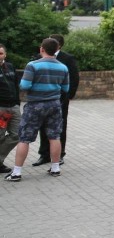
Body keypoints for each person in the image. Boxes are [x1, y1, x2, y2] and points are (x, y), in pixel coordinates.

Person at [5, 38, 68, 182]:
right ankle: (55, 168)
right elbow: (66, 89)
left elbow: (24, 86)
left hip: (35, 105)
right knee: (54, 136)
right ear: (57, 49)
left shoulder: (33, 65)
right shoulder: (63, 67)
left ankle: (16, 172)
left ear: (42, 49)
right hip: (54, 105)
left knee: (24, 138)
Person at [33, 33, 78, 167]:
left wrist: (69, 96)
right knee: (43, 126)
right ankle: (44, 154)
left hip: (60, 99)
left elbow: (74, 78)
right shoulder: (38, 58)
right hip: (42, 99)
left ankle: (59, 154)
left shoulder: (67, 59)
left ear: (58, 45)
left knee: (60, 127)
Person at [0, 44, 21, 174]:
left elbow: (16, 86)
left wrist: (18, 103)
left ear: (5, 55)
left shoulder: (11, 67)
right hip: (1, 109)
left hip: (14, 107)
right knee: (0, 136)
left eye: (1, 53)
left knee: (17, 135)